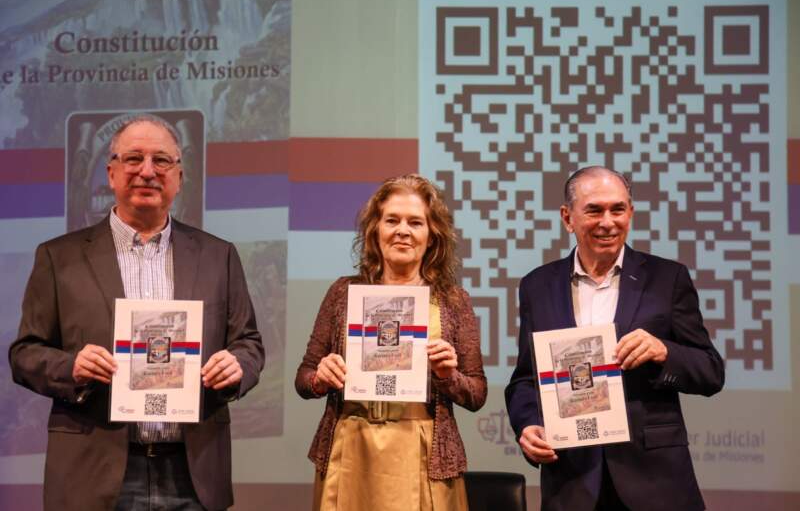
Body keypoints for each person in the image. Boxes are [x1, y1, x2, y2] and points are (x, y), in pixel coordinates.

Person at [9, 114, 265, 511]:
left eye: (161, 160)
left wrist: (237, 367)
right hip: (93, 472)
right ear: (111, 173)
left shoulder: (219, 256)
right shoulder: (58, 257)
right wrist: (71, 366)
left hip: (192, 473)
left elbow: (248, 343)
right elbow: (25, 353)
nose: (147, 171)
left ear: (179, 177)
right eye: (133, 159)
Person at [505, 166, 724, 511]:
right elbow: (525, 379)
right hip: (572, 480)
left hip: (656, 483)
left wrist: (663, 351)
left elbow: (711, 371)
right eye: (594, 210)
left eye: (618, 209)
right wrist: (528, 424)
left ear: (630, 213)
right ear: (567, 217)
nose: (608, 221)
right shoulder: (537, 286)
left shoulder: (668, 279)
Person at [296, 174, 487, 511]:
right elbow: (304, 376)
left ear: (431, 237)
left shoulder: (453, 301)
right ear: (375, 230)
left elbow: (476, 394)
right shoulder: (343, 293)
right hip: (350, 450)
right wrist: (319, 378)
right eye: (392, 220)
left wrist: (448, 377)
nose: (403, 230)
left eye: (415, 222)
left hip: (424, 453)